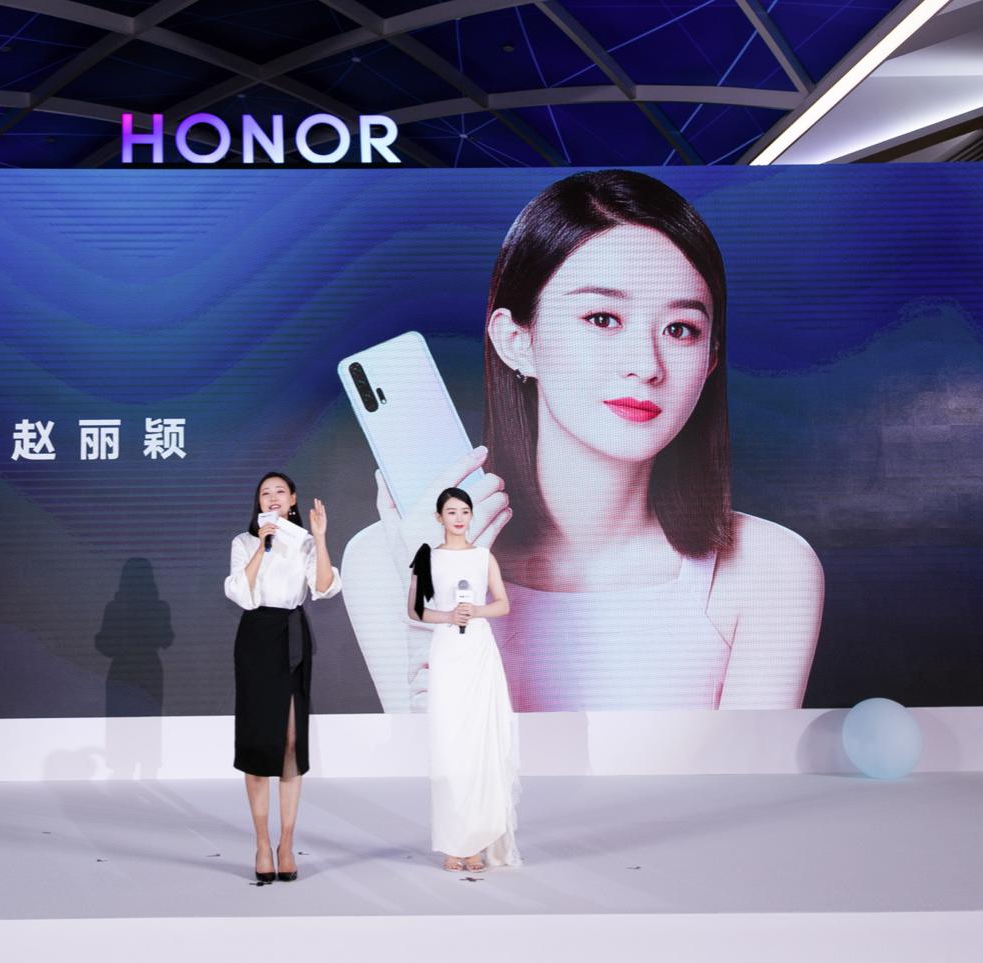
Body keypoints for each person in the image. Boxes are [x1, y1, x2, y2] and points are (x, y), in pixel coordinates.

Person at [344, 169, 824, 713]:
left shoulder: (767, 569)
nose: (646, 365)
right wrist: (437, 607)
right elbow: (441, 767)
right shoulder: (387, 560)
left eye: (680, 329)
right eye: (602, 318)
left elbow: (752, 773)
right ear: (516, 340)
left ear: (710, 359)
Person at [224, 472, 340, 882]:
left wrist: (320, 539)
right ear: (258, 503)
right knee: (258, 742)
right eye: (264, 493)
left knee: (291, 741)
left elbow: (324, 588)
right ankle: (261, 842)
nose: (272, 498)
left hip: (292, 637)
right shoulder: (243, 542)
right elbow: (239, 592)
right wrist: (261, 545)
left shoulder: (306, 542)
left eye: (279, 492)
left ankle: (286, 843)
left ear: (292, 499)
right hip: (256, 637)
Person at [409, 488, 519, 871]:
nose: (459, 518)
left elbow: (503, 604)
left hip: (479, 653)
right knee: (449, 745)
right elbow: (415, 610)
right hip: (447, 652)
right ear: (438, 517)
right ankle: (453, 843)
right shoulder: (427, 556)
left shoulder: (483, 556)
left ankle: (476, 842)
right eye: (452, 512)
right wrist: (448, 616)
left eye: (465, 511)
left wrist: (475, 611)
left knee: (479, 745)